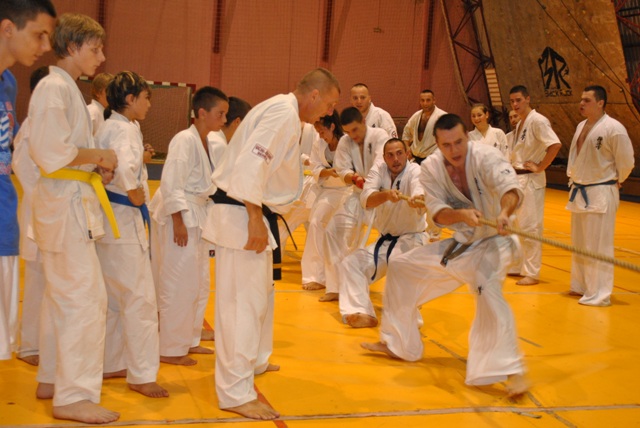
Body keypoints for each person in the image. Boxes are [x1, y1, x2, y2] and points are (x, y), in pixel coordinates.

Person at [204, 68, 340, 420]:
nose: (329, 112)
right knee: (242, 306)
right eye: (329, 104)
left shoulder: (285, 113)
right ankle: (235, 393)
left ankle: (255, 362)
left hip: (252, 211)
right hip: (242, 213)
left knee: (260, 298)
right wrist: (253, 217)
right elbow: (251, 164)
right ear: (314, 94)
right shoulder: (282, 113)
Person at [362, 113, 528, 397]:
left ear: (467, 137)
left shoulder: (486, 156)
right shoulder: (431, 168)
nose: (455, 150)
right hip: (461, 243)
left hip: (493, 242)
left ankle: (513, 371)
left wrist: (504, 213)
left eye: (459, 142)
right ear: (437, 145)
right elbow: (438, 214)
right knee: (401, 267)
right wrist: (461, 215)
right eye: (447, 145)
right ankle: (398, 343)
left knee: (488, 292)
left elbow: (509, 189)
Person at [28, 13, 120, 424]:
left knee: (63, 297)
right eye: (95, 49)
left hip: (67, 202)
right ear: (71, 47)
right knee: (85, 300)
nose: (101, 57)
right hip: (64, 206)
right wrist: (98, 155)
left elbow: (65, 153)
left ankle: (52, 378)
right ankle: (74, 395)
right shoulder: (54, 88)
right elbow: (50, 152)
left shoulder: (65, 90)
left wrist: (93, 165)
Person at [94, 71, 167, 398]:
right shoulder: (124, 129)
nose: (149, 104)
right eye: (146, 98)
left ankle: (111, 362)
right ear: (130, 99)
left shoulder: (109, 125)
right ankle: (142, 374)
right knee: (140, 300)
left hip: (108, 222)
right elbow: (124, 168)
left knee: (113, 299)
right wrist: (134, 191)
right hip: (123, 221)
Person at [149, 87, 229, 366]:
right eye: (220, 114)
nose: (224, 120)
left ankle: (189, 339)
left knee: (197, 283)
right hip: (181, 215)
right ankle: (170, 348)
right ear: (202, 113)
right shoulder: (184, 139)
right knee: (177, 283)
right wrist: (178, 221)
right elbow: (171, 182)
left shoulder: (207, 141)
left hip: (196, 213)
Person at [0, 0, 56, 363]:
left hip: (5, 222)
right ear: (8, 29)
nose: (46, 46)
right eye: (39, 35)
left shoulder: (8, 83)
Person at [338, 138, 427, 328]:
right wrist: (386, 194)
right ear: (384, 157)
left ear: (407, 154)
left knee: (398, 264)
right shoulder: (378, 169)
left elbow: (419, 191)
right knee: (351, 264)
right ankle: (362, 311)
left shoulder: (415, 171)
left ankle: (410, 320)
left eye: (400, 153)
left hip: (412, 238)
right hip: (385, 241)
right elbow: (366, 200)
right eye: (390, 155)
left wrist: (418, 199)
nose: (396, 159)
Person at [566, 85, 634, 306]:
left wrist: (618, 179)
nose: (581, 103)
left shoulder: (614, 128)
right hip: (580, 189)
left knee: (598, 246)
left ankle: (600, 294)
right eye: (581, 99)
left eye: (586, 100)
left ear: (600, 103)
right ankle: (581, 285)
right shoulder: (581, 126)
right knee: (580, 243)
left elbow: (626, 161)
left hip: (601, 191)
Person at [320, 106, 387, 302]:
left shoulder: (379, 136)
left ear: (364, 122)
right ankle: (335, 286)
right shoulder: (345, 141)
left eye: (355, 130)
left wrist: (369, 181)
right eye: (348, 131)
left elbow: (381, 162)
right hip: (357, 197)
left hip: (380, 197)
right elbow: (342, 169)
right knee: (332, 231)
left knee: (392, 240)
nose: (352, 135)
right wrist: (352, 177)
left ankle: (403, 294)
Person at [11, 66, 49, 366]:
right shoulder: (32, 125)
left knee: (48, 281)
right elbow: (23, 168)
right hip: (38, 210)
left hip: (49, 210)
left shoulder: (45, 123)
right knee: (37, 280)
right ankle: (29, 346)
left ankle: (41, 342)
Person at [509, 85, 561, 285]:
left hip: (531, 179)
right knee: (516, 225)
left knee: (530, 227)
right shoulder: (520, 123)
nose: (515, 104)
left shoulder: (538, 120)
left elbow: (554, 144)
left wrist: (541, 166)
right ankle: (518, 265)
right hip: (518, 178)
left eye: (518, 100)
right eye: (512, 101)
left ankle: (532, 272)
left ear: (528, 99)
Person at [301, 112, 351, 290]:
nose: (320, 135)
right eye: (318, 132)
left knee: (341, 233)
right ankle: (315, 276)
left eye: (322, 131)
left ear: (332, 126)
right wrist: (328, 172)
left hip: (348, 191)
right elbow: (315, 167)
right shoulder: (319, 143)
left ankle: (343, 277)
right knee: (316, 223)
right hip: (328, 190)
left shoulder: (349, 143)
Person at [402, 89, 447, 165]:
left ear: (434, 100)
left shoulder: (442, 117)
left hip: (433, 159)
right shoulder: (416, 116)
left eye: (428, 100)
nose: (425, 103)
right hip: (414, 158)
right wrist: (407, 148)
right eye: (422, 100)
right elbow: (406, 134)